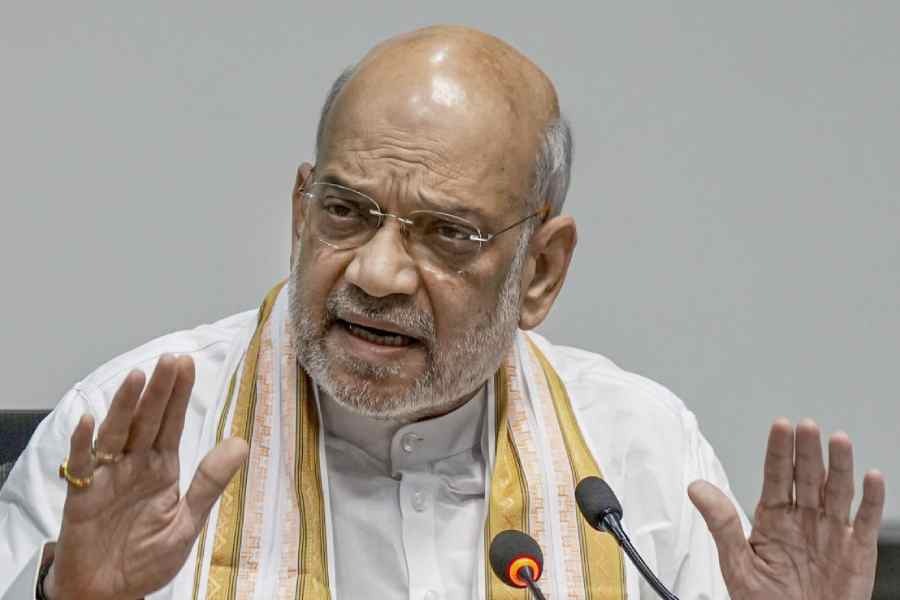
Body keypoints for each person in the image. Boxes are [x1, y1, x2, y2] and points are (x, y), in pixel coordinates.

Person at [0, 25, 885, 600]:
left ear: (541, 271)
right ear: (301, 214)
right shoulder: (121, 440)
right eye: (346, 212)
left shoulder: (639, 456)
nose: (378, 273)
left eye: (449, 235)